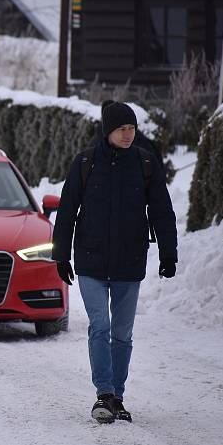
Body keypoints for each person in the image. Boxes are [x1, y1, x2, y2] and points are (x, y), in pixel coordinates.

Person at [52, 101, 178, 424]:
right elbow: (67, 210)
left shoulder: (146, 164)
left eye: (132, 129)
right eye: (122, 128)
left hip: (129, 260)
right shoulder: (85, 163)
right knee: (101, 326)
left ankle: (117, 396)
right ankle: (103, 394)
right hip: (91, 261)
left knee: (122, 333)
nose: (128, 134)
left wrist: (168, 253)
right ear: (108, 130)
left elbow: (162, 211)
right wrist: (60, 254)